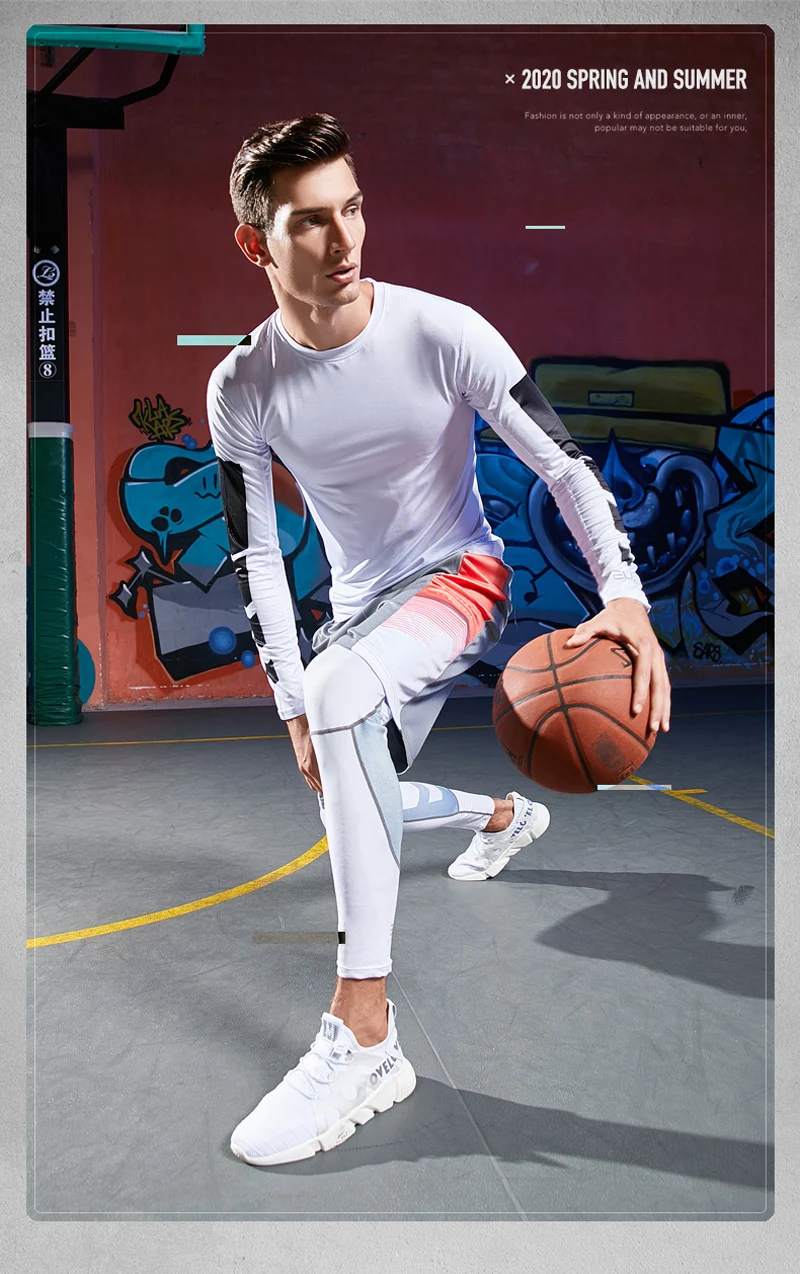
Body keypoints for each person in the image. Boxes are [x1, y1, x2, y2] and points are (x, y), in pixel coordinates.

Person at [207, 113, 671, 1167]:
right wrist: (289, 698)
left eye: (353, 208)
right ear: (254, 243)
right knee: (349, 785)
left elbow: (561, 465)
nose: (343, 239)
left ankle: (364, 1034)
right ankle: (502, 816)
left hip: (462, 576)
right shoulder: (244, 384)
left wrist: (625, 594)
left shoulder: (441, 332)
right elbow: (258, 555)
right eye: (309, 221)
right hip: (358, 612)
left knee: (341, 701)